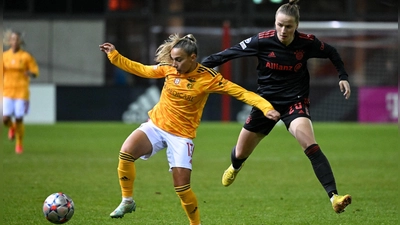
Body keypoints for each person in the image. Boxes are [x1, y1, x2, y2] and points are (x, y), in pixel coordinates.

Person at [99, 34, 280, 225]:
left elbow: (241, 92)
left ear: (192, 57)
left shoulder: (208, 78)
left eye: (178, 60)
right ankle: (127, 200)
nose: (174, 64)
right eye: (173, 59)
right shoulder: (169, 69)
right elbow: (142, 70)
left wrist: (266, 108)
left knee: (182, 188)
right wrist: (114, 56)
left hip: (181, 136)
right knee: (126, 152)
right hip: (156, 125)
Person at [201, 0, 352, 214]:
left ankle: (334, 197)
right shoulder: (262, 41)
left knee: (311, 146)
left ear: (296, 26)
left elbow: (332, 52)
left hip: (295, 101)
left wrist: (343, 77)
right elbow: (229, 53)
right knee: (240, 153)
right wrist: (199, 66)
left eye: (288, 26)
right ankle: (236, 166)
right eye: (279, 25)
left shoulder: (306, 43)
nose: (283, 30)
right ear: (274, 23)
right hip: (265, 104)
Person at [3, 30, 39, 154]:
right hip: (7, 91)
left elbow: (35, 72)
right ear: (9, 41)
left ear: (20, 41)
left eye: (17, 39)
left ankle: (19, 144)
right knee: (5, 119)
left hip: (21, 92)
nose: (15, 41)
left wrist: (30, 73)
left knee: (19, 118)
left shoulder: (26, 57)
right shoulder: (4, 56)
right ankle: (11, 127)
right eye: (13, 39)